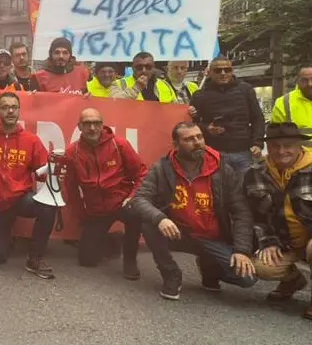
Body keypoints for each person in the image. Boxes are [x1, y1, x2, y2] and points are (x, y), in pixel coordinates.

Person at [131, 122, 255, 300]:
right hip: (178, 232)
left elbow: (241, 211)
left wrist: (242, 250)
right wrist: (160, 218)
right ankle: (171, 273)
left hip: (211, 236)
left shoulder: (222, 169)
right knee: (149, 223)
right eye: (189, 139)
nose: (197, 142)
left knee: (247, 279)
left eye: (199, 137)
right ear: (176, 145)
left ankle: (209, 267)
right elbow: (140, 198)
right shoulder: (162, 168)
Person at [0, 92, 57, 278]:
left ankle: (35, 258)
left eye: (14, 107)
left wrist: (55, 168)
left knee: (48, 206)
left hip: (20, 199)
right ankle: (6, 238)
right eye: (5, 107)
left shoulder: (31, 140)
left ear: (19, 110)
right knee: (0, 256)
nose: (10, 111)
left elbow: (43, 172)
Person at [64, 108, 147, 279]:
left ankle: (130, 259)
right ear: (79, 127)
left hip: (122, 202)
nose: (92, 128)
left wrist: (132, 197)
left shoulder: (119, 144)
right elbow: (70, 187)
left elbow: (142, 174)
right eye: (87, 124)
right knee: (87, 260)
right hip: (96, 210)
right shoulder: (73, 151)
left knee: (136, 214)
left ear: (102, 125)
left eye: (96, 123)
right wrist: (82, 214)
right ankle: (113, 240)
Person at [243, 122, 312, 318]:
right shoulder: (255, 172)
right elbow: (255, 214)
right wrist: (268, 242)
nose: (281, 151)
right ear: (268, 147)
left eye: (288, 145)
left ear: (299, 145)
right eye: (275, 146)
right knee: (262, 267)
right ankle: (293, 280)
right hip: (284, 241)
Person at [189, 56, 264, 178]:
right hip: (214, 153)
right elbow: (192, 124)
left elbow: (257, 118)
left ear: (232, 71)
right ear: (210, 72)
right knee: (217, 189)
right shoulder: (199, 95)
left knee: (245, 188)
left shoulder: (246, 90)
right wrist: (207, 128)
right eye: (218, 70)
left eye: (227, 70)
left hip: (243, 151)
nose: (223, 73)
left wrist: (258, 143)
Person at [111, 52, 177, 102]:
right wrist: (136, 88)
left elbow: (174, 108)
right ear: (133, 68)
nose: (144, 70)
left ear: (153, 68)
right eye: (139, 67)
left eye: (148, 67)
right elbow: (114, 103)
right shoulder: (119, 83)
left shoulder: (165, 85)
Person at [271, 66, 312, 139]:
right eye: (304, 80)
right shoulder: (283, 103)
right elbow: (275, 137)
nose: (310, 84)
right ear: (298, 81)